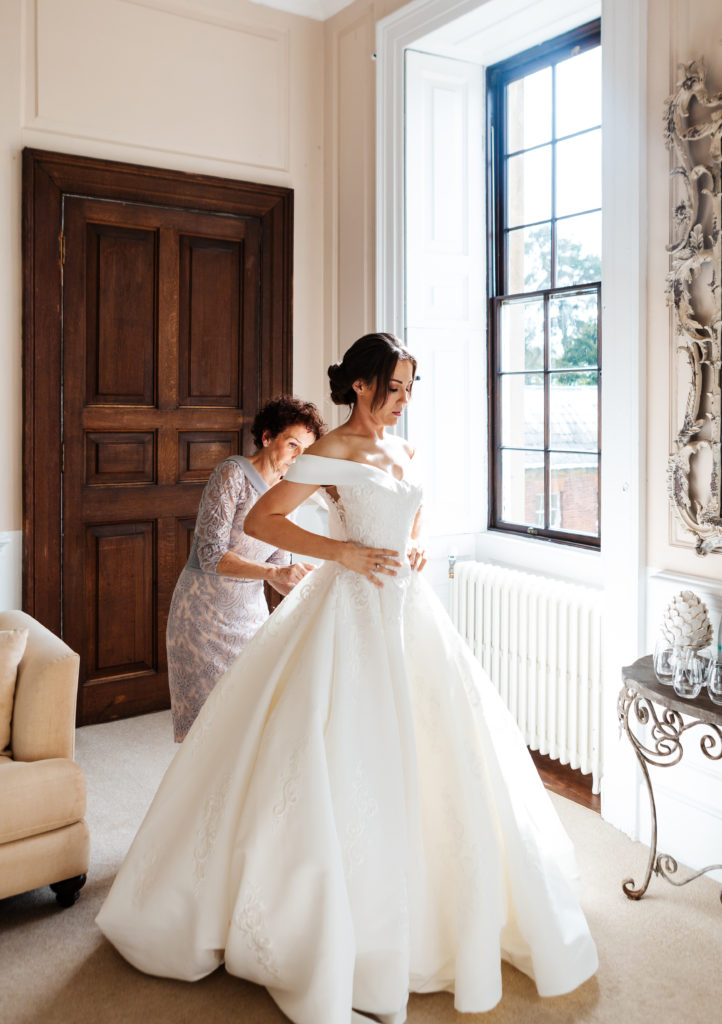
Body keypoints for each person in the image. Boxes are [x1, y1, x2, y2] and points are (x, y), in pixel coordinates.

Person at [97, 333, 598, 1023]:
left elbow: (411, 509)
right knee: (332, 745)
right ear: (360, 386)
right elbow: (261, 516)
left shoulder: (404, 448)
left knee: (446, 746)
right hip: (350, 606)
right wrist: (343, 553)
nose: (402, 401)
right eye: (393, 388)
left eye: (409, 389)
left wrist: (416, 542)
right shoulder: (331, 451)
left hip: (409, 612)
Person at [166, 395, 324, 741]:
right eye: (292, 444)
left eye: (305, 451)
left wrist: (315, 587)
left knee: (251, 723)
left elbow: (280, 569)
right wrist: (276, 575)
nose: (298, 457)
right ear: (267, 437)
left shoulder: (287, 495)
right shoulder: (232, 473)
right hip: (202, 618)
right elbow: (210, 554)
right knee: (208, 732)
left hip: (250, 619)